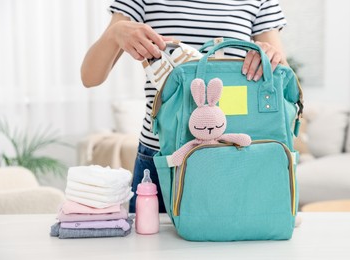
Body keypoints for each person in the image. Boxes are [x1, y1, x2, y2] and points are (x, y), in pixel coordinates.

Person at [81, 0, 289, 213]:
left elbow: (283, 81)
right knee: (150, 244)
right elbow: (90, 77)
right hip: (162, 156)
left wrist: (269, 55)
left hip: (235, 154)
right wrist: (114, 33)